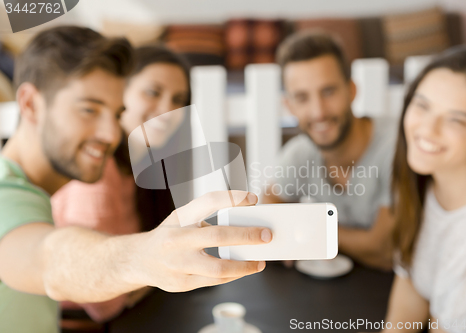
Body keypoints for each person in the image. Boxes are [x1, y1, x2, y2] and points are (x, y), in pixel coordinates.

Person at [0, 26, 272, 333]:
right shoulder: (6, 197)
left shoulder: (36, 193)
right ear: (30, 104)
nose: (110, 134)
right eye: (89, 109)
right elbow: (48, 260)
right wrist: (142, 259)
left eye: (116, 114)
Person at [50, 45, 191, 324]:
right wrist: (148, 276)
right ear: (120, 94)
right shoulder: (97, 175)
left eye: (178, 99)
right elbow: (104, 301)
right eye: (153, 92)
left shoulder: (144, 164)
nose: (167, 110)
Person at [383, 46, 466, 332]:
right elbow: (411, 290)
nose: (427, 129)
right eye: (422, 105)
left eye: (455, 119)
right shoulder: (422, 182)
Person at [262, 30, 397, 270]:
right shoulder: (300, 153)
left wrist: (306, 229)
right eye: (302, 97)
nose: (318, 112)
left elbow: (383, 249)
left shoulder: (396, 147)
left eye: (328, 91)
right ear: (289, 105)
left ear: (352, 90)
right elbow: (269, 207)